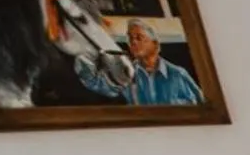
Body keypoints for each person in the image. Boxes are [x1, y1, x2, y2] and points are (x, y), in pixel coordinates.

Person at [74, 20, 203, 106]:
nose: (133, 42)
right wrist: (83, 56)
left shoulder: (178, 74)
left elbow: (203, 105)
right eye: (130, 38)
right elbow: (99, 84)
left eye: (139, 38)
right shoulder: (127, 73)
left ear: (156, 45)